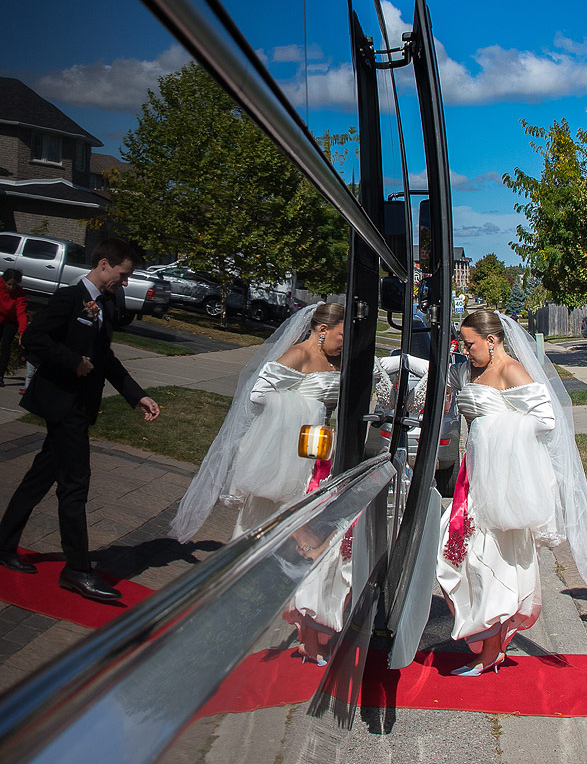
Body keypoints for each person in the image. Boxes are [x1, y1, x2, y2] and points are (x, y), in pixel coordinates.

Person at [437, 309, 587, 676]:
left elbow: (546, 420)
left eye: (470, 344)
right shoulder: (469, 370)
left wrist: (496, 434)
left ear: (492, 340)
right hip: (475, 474)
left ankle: (490, 649)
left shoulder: (511, 370)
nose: (465, 350)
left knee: (492, 557)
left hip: (501, 478)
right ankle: (489, 639)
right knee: (457, 554)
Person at [0, 239, 160, 602]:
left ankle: (4, 544)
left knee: (38, 479)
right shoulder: (68, 299)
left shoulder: (102, 305)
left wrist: (138, 396)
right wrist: (71, 359)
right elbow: (34, 338)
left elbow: (106, 360)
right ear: (104, 265)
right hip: (64, 406)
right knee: (75, 486)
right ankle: (76, 569)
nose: (124, 282)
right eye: (123, 275)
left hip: (78, 408)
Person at [170, 301, 343, 544]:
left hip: (318, 448)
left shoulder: (337, 361)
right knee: (271, 513)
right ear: (323, 329)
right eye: (342, 334)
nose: (345, 342)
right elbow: (259, 395)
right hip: (286, 449)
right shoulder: (299, 355)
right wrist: (311, 409)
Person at [0, 268, 29, 387]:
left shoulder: (20, 293)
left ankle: (0, 375)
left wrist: (22, 333)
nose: (11, 287)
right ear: (3, 281)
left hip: (11, 322)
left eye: (14, 285)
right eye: (9, 284)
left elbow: (22, 313)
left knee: (5, 346)